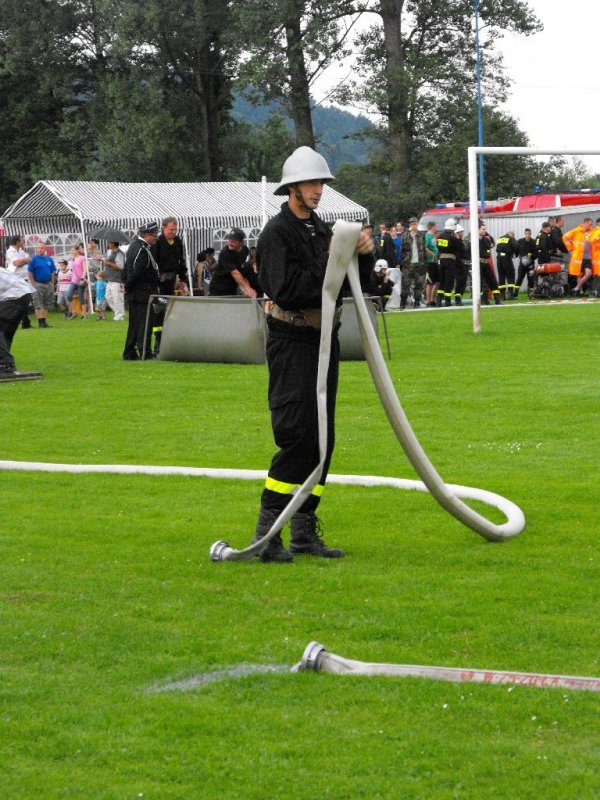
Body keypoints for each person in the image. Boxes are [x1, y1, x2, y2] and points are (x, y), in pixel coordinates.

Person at [248, 146, 374, 562]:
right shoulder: (276, 234)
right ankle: (268, 532)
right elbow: (289, 289)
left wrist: (362, 255)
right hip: (292, 340)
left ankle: (303, 529)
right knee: (297, 436)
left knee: (323, 440)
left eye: (321, 183)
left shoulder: (321, 230)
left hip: (324, 341)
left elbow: (351, 283)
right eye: (311, 183)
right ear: (292, 188)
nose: (319, 190)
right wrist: (332, 258)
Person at [122, 222, 160, 360]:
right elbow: (137, 273)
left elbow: (126, 269)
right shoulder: (143, 250)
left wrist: (126, 286)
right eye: (154, 235)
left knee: (134, 324)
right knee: (145, 323)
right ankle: (145, 352)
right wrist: (129, 286)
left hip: (134, 292)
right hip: (142, 292)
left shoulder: (133, 246)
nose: (156, 238)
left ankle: (129, 352)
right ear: (148, 235)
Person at [0, 266, 38, 378]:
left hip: (14, 294)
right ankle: (5, 362)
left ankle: (5, 364)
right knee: (6, 331)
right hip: (23, 293)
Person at [209, 228, 255, 297]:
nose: (230, 243)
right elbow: (234, 273)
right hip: (218, 287)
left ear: (241, 242)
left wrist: (247, 286)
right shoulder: (225, 252)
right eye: (229, 240)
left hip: (232, 287)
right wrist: (247, 288)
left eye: (233, 241)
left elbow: (241, 268)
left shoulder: (245, 250)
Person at [153, 217, 187, 296]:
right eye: (171, 229)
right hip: (160, 279)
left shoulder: (178, 241)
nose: (174, 232)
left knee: (170, 300)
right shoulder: (157, 242)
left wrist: (183, 279)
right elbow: (154, 261)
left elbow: (181, 260)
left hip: (173, 278)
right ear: (164, 228)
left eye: (175, 229)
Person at [563, 218, 596, 296]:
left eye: (591, 224)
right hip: (578, 257)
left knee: (588, 274)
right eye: (590, 224)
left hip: (588, 257)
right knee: (579, 274)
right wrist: (570, 249)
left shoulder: (592, 231)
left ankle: (577, 288)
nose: (591, 225)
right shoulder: (577, 230)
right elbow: (565, 237)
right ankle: (580, 291)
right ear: (585, 223)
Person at [27, 242, 57, 327]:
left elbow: (52, 271)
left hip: (48, 283)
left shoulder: (49, 259)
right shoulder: (34, 259)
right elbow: (30, 272)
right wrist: (33, 283)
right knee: (38, 303)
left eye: (41, 248)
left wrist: (52, 282)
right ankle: (40, 322)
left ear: (45, 249)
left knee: (47, 303)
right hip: (38, 283)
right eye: (38, 248)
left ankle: (44, 321)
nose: (40, 249)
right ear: (37, 249)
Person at [5, 235, 32, 328]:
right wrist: (24, 261)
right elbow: (17, 263)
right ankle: (24, 321)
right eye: (22, 240)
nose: (23, 242)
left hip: (23, 278)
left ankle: (25, 322)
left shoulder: (21, 251)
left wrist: (22, 261)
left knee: (24, 300)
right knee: (20, 300)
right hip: (15, 278)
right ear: (17, 242)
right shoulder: (9, 252)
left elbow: (29, 259)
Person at [400, 217, 427, 309]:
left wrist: (425, 263)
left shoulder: (421, 235)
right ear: (409, 225)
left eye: (414, 223)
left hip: (419, 264)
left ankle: (417, 303)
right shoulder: (405, 236)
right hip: (408, 265)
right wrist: (403, 262)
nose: (413, 225)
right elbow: (402, 250)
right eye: (411, 223)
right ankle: (402, 303)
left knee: (419, 285)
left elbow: (424, 250)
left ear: (417, 223)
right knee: (405, 286)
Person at [435, 218, 461, 307]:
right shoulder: (453, 238)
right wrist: (458, 239)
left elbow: (438, 247)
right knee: (449, 281)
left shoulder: (440, 236)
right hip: (450, 260)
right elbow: (459, 248)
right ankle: (447, 301)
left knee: (442, 280)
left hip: (441, 260)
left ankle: (438, 300)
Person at [101, 241, 126, 321]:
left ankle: (119, 316)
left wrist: (109, 263)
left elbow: (121, 267)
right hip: (110, 278)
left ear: (113, 244)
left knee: (117, 297)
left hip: (117, 279)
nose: (107, 244)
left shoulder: (119, 253)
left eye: (109, 243)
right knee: (108, 297)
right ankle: (119, 312)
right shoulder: (110, 252)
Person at [478, 223, 501, 304]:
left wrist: (486, 234)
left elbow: (492, 243)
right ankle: (483, 299)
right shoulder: (474, 240)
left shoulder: (486, 239)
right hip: (478, 264)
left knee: (492, 281)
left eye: (485, 229)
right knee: (481, 283)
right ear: (477, 229)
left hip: (486, 263)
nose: (485, 231)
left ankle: (497, 298)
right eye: (483, 229)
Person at [67, 244, 89, 319]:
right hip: (73, 280)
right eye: (71, 250)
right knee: (69, 295)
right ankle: (74, 312)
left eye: (73, 250)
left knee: (81, 297)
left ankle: (84, 315)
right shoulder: (72, 259)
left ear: (77, 250)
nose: (71, 251)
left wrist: (83, 279)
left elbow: (85, 269)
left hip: (80, 279)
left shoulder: (82, 258)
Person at [495, 230, 519, 299]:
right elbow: (516, 246)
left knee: (501, 276)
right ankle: (510, 294)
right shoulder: (510, 238)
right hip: (506, 258)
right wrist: (516, 254)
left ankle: (502, 295)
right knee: (510, 274)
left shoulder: (500, 239)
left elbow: (497, 248)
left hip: (499, 258)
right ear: (511, 235)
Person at [515, 228, 537, 298]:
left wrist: (531, 257)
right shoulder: (520, 241)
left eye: (529, 234)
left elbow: (536, 254)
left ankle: (530, 294)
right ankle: (515, 293)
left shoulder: (533, 242)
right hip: (522, 263)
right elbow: (517, 250)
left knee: (531, 278)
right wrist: (517, 255)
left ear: (531, 234)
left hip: (530, 264)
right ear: (524, 234)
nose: (527, 235)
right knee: (519, 278)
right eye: (526, 234)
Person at [424, 221, 440, 307]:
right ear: (432, 227)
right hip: (430, 262)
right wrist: (432, 254)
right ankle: (429, 301)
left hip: (435, 262)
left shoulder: (433, 236)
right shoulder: (427, 236)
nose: (436, 228)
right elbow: (425, 247)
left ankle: (433, 300)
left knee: (437, 281)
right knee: (430, 282)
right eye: (436, 226)